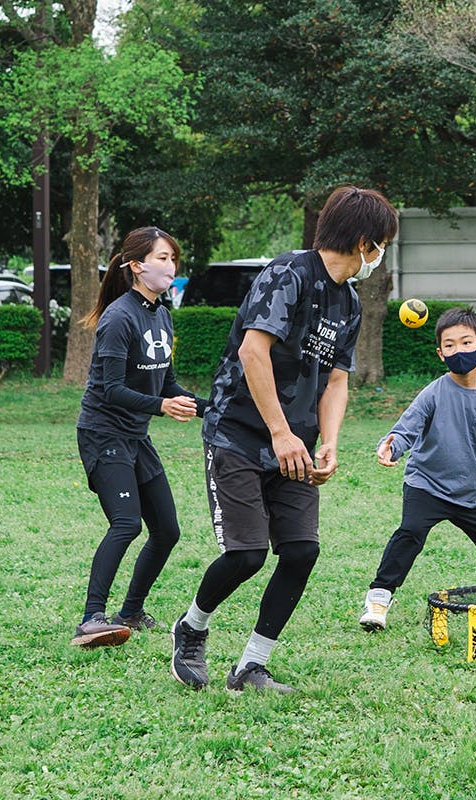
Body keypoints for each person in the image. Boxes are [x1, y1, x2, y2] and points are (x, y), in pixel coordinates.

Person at [169, 186, 398, 693]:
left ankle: (251, 665)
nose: (381, 256)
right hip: (239, 434)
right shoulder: (288, 273)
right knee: (247, 554)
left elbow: (336, 380)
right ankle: (191, 627)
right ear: (364, 242)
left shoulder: (349, 302)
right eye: (382, 244)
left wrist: (328, 441)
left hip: (296, 445)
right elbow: (253, 352)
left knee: (300, 552)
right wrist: (280, 432)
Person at [70, 227, 207, 648]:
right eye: (162, 258)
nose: (171, 266)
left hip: (135, 435)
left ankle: (130, 611)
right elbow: (111, 389)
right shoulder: (118, 317)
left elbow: (167, 384)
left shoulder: (161, 314)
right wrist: (162, 406)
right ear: (136, 266)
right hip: (103, 431)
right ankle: (90, 619)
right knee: (127, 523)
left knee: (166, 530)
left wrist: (215, 407)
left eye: (173, 258)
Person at [359, 307, 476, 632]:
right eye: (449, 346)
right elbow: (406, 429)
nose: (458, 351)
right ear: (440, 353)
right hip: (426, 485)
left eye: (466, 343)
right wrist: (390, 446)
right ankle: (379, 598)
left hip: (469, 493)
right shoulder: (434, 392)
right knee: (410, 533)